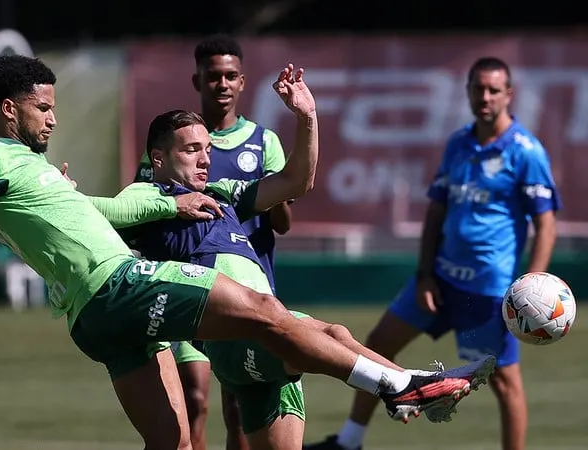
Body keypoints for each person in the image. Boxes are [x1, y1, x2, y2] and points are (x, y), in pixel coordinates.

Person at [0, 55, 494, 449]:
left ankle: (400, 387)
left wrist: (166, 204)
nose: (52, 119)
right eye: (43, 108)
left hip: (97, 325)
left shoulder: (28, 172)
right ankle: (397, 384)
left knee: (172, 443)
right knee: (264, 309)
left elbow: (102, 210)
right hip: (119, 286)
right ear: (8, 109)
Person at [87, 104, 496, 450]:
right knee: (334, 333)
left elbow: (296, 181)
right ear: (158, 158)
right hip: (237, 338)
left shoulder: (222, 195)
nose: (205, 158)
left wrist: (308, 117)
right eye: (191, 149)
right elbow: (100, 213)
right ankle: (405, 387)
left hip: (269, 333)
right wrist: (81, 195)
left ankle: (407, 389)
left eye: (207, 149)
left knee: (332, 338)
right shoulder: (149, 195)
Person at [304, 57, 561, 450]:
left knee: (504, 382)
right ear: (469, 92)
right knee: (377, 346)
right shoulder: (458, 143)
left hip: (488, 293)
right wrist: (425, 272)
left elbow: (545, 224)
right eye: (478, 89)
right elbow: (436, 211)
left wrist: (534, 285)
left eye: (494, 90)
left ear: (509, 95)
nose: (485, 97)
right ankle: (349, 442)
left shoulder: (526, 152)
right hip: (438, 281)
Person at [134, 34, 292, 450]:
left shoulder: (262, 142)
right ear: (197, 80)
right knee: (195, 396)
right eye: (212, 77)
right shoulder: (170, 146)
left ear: (242, 82)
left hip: (247, 281)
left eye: (230, 76)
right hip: (187, 278)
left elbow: (284, 222)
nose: (221, 85)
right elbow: (143, 210)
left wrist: (274, 195)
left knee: (239, 407)